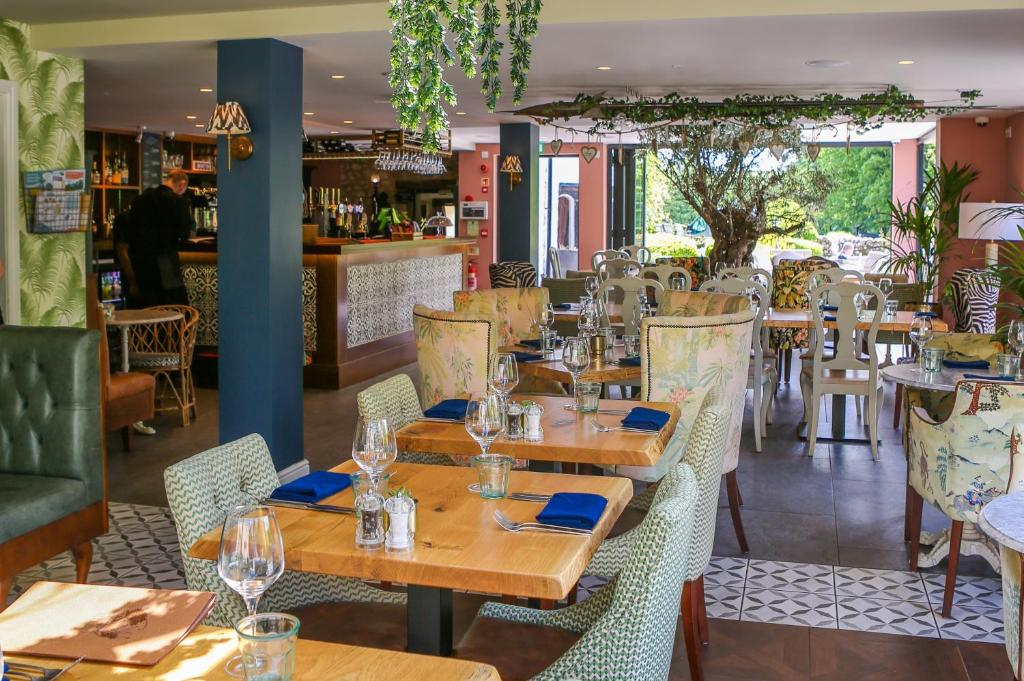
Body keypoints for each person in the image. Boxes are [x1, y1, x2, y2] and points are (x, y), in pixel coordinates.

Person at [126, 169, 191, 308]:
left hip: (141, 266)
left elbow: (130, 231)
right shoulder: (178, 202)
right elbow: (184, 234)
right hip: (167, 266)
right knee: (174, 312)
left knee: (147, 310)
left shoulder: (140, 199)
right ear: (181, 184)